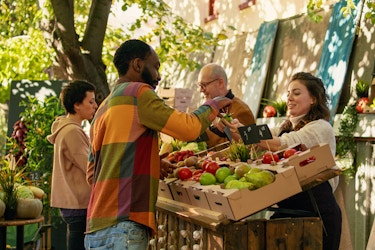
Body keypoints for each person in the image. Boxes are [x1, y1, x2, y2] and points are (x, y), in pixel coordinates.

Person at [84, 39, 232, 249]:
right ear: (137, 65)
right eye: (155, 66)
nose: (159, 76)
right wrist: (213, 104)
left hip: (95, 229)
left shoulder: (103, 108)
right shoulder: (138, 93)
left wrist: (150, 163)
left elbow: (93, 174)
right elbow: (188, 128)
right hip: (125, 225)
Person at [246, 72, 341, 250]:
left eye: (296, 93)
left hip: (317, 216)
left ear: (313, 98)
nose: (289, 98)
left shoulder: (320, 127)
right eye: (288, 93)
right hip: (288, 214)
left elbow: (285, 144)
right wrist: (237, 130)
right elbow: (269, 134)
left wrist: (247, 134)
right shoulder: (285, 126)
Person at [47, 80, 98, 250]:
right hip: (78, 203)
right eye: (90, 102)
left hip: (72, 202)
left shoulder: (66, 128)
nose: (95, 106)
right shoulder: (72, 131)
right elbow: (89, 167)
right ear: (77, 105)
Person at [197, 63, 255, 148]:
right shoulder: (209, 108)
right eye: (199, 85)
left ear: (220, 83)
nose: (201, 90)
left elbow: (243, 146)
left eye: (204, 85)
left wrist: (203, 133)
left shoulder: (241, 110)